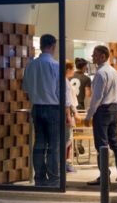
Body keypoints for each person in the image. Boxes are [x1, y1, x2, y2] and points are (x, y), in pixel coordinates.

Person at [83, 45, 117, 185]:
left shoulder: (100, 73)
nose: (92, 57)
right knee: (114, 142)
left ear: (103, 56)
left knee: (101, 145)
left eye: (95, 54)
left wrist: (89, 115)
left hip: (102, 111)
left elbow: (97, 97)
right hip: (114, 109)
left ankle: (104, 176)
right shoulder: (115, 72)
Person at [22, 34, 61, 187]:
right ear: (53, 46)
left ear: (41, 45)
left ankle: (39, 177)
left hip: (36, 107)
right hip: (53, 108)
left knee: (39, 143)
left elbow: (26, 88)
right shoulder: (55, 65)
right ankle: (53, 178)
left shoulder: (31, 65)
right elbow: (60, 91)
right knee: (53, 145)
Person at [64, 61, 79, 173]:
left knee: (68, 139)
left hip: (68, 113)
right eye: (72, 68)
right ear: (68, 69)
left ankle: (64, 163)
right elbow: (68, 101)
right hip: (67, 114)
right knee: (66, 139)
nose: (73, 71)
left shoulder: (66, 81)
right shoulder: (65, 82)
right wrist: (70, 115)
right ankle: (64, 163)